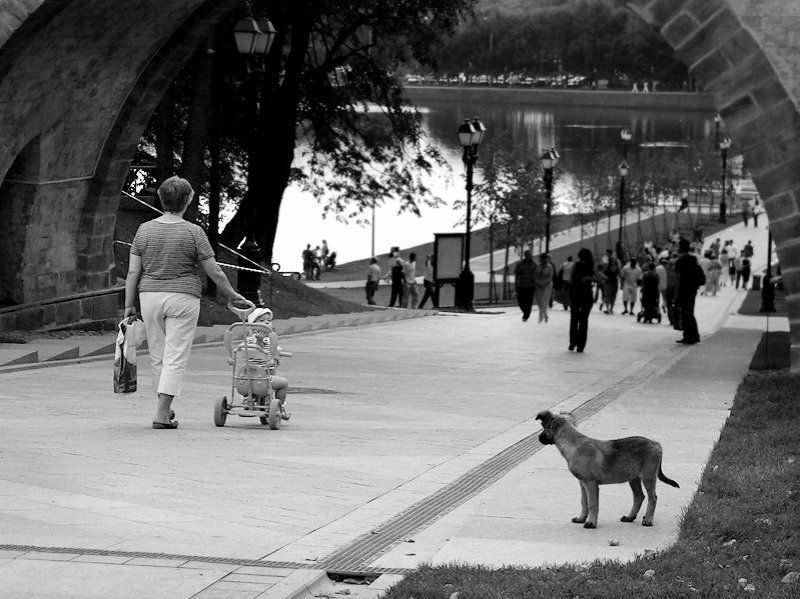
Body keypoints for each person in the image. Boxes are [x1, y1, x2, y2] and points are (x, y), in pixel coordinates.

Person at [124, 176, 245, 429]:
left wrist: (128, 305)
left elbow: (133, 272)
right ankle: (161, 412)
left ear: (160, 198)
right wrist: (232, 294)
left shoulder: (144, 230)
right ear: (188, 200)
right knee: (175, 356)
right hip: (183, 298)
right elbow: (215, 272)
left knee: (158, 353)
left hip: (149, 298)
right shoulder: (194, 232)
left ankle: (164, 410)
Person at [245, 307, 290, 420]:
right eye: (261, 320)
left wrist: (279, 351)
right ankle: (281, 407)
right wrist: (260, 341)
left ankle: (248, 399)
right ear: (252, 324)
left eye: (268, 321)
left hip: (246, 378)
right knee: (283, 383)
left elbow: (274, 348)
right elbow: (258, 350)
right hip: (263, 378)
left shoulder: (248, 339)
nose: (266, 323)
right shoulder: (258, 339)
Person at [569, 248, 605, 353]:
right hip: (583, 294)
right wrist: (591, 279)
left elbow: (572, 279)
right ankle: (579, 345)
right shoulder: (587, 266)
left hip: (579, 294)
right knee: (582, 320)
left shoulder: (578, 265)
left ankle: (574, 342)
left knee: (575, 319)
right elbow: (599, 279)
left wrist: (589, 279)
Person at [674, 238, 704, 344]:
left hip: (683, 290)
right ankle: (693, 335)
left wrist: (676, 294)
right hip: (692, 290)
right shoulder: (693, 258)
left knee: (685, 313)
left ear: (681, 248)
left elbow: (678, 279)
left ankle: (689, 336)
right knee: (689, 312)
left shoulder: (680, 260)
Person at [514, 250, 536, 322]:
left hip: (530, 286)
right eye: (527, 255)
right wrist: (516, 286)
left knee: (529, 301)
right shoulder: (520, 264)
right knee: (520, 301)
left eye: (530, 255)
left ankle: (526, 315)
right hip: (521, 285)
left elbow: (537, 275)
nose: (529, 256)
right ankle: (526, 312)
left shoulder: (534, 265)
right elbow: (516, 274)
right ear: (525, 256)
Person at [533, 253, 554, 323]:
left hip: (547, 285)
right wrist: (538, 282)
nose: (541, 260)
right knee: (539, 302)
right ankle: (545, 315)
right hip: (538, 285)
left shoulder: (549, 267)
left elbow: (550, 277)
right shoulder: (537, 266)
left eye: (542, 259)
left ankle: (540, 318)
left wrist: (544, 282)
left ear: (545, 259)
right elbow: (535, 275)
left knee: (544, 301)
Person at [601, 249, 620, 314]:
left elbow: (619, 274)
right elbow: (602, 272)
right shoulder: (607, 265)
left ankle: (610, 308)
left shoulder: (616, 266)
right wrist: (605, 277)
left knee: (612, 296)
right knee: (609, 296)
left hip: (613, 282)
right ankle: (608, 309)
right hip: (610, 282)